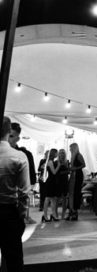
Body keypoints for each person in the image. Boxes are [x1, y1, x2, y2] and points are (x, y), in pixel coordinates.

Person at [0, 116, 30, 272]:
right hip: (8, 213)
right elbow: (24, 192)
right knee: (14, 262)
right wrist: (21, 215)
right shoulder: (18, 156)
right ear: (8, 131)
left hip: (9, 213)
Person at [8, 123, 36, 224]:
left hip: (15, 197)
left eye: (11, 136)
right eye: (6, 135)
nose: (7, 139)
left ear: (18, 138)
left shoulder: (24, 154)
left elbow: (29, 177)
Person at [66, 142, 85, 220]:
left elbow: (83, 165)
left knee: (75, 193)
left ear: (74, 148)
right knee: (71, 193)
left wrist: (74, 168)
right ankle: (71, 211)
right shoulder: (73, 156)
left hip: (77, 176)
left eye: (71, 148)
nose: (70, 149)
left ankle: (74, 212)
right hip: (73, 175)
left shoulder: (79, 155)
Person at [41, 148, 59, 222]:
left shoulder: (51, 161)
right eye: (57, 153)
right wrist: (59, 166)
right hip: (50, 182)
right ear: (54, 154)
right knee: (48, 198)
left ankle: (53, 215)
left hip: (53, 181)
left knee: (53, 199)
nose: (57, 154)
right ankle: (45, 215)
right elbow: (54, 172)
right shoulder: (50, 162)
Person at [55, 149, 70, 219]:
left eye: (63, 153)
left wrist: (66, 171)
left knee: (65, 198)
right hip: (58, 182)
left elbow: (69, 171)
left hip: (65, 181)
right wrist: (65, 171)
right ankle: (55, 213)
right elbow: (55, 172)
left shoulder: (67, 161)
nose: (62, 154)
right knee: (57, 198)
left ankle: (63, 214)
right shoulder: (56, 162)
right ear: (58, 154)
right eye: (61, 153)